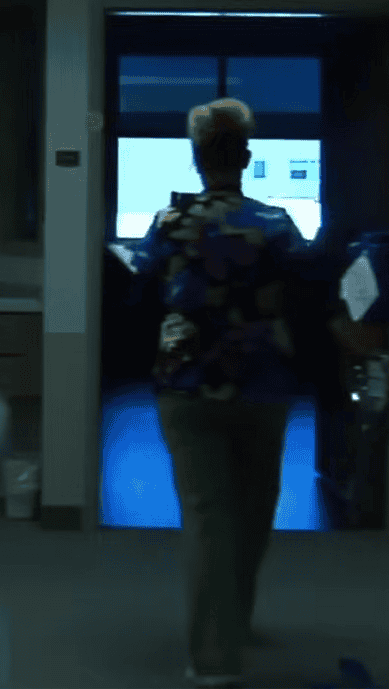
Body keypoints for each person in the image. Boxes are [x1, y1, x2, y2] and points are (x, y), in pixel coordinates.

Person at [125, 97, 366, 689]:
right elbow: (311, 284)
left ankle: (212, 659)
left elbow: (140, 285)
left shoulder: (167, 224)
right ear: (249, 157)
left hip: (185, 385)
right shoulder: (277, 224)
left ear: (196, 158)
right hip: (263, 385)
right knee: (253, 514)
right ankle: (237, 620)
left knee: (208, 518)